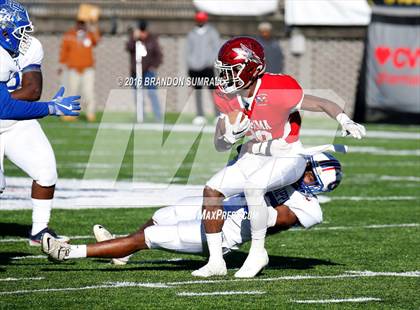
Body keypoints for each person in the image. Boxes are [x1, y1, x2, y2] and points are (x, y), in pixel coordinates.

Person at [194, 36, 366, 278]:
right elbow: (220, 146)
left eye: (233, 70)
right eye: (225, 70)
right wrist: (228, 136)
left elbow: (322, 103)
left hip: (286, 156)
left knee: (254, 187)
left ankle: (257, 253)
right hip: (251, 156)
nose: (226, 76)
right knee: (212, 190)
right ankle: (215, 261)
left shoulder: (278, 87)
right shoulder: (226, 94)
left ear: (252, 68)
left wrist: (343, 120)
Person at [41, 152, 343, 263]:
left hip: (226, 232)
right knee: (161, 216)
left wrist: (256, 186)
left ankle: (70, 252)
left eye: (309, 175)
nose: (303, 174)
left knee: (151, 238)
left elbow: (271, 217)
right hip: (221, 209)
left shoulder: (306, 208)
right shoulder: (288, 168)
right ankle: (123, 254)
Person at [0, 0, 81, 245]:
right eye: (19, 32)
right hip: (12, 112)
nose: (25, 38)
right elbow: (4, 106)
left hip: (15, 120)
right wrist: (51, 108)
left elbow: (31, 90)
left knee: (45, 170)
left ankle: (39, 231)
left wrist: (22, 108)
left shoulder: (26, 48)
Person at [59, 19, 100, 122]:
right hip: (73, 69)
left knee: (88, 92)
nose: (81, 25)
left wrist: (93, 27)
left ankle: (90, 113)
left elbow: (97, 40)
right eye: (79, 23)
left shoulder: (89, 35)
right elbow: (63, 51)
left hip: (88, 69)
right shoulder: (69, 35)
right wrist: (61, 65)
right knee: (72, 92)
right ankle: (71, 113)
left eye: (83, 23)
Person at [186, 11, 220, 126]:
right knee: (198, 92)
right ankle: (200, 115)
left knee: (213, 91)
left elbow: (216, 48)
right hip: (195, 68)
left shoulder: (212, 33)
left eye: (202, 19)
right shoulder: (192, 34)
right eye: (199, 19)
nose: (200, 21)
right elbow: (188, 51)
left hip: (208, 67)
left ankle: (217, 115)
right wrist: (190, 63)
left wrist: (211, 61)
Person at [126, 20, 163, 122]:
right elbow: (128, 47)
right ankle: (141, 115)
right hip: (135, 72)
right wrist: (134, 38)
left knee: (152, 93)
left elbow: (159, 55)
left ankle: (158, 116)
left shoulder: (152, 40)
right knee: (138, 95)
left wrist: (154, 66)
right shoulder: (134, 39)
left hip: (148, 72)